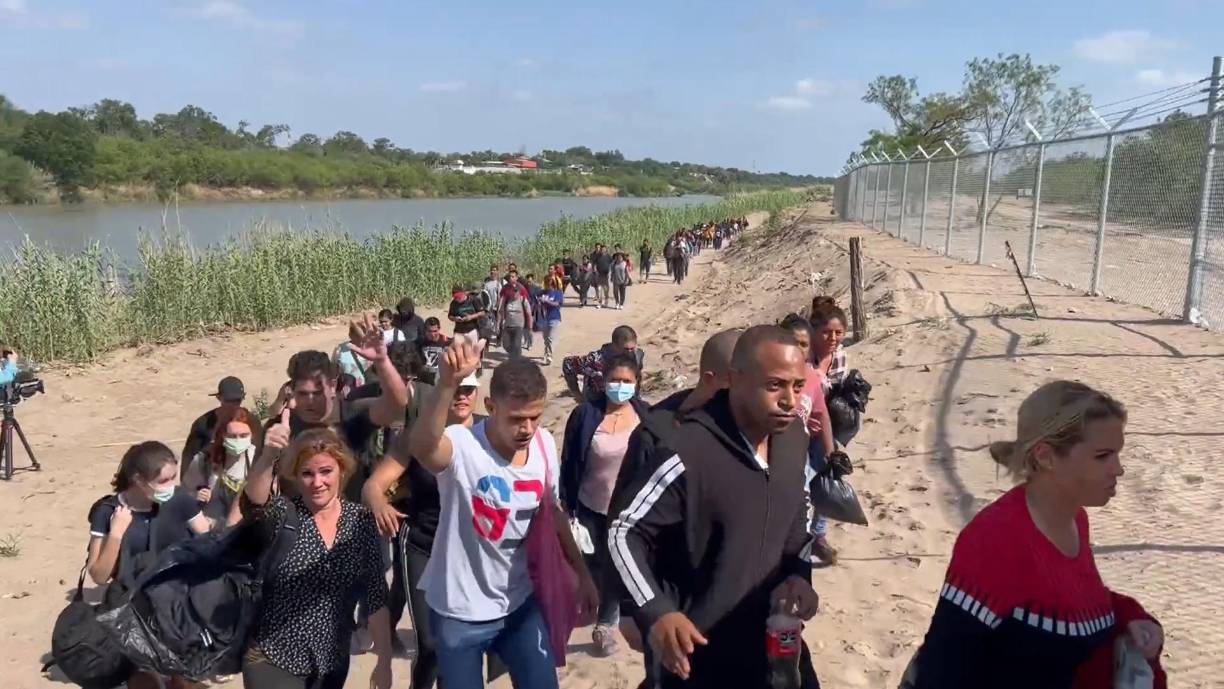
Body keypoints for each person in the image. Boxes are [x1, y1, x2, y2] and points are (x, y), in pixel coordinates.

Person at [901, 381, 1166, 689]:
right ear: (1046, 457)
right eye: (1103, 456)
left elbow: (1077, 602)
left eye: (1117, 454)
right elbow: (943, 667)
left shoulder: (1074, 519)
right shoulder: (995, 540)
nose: (1118, 469)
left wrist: (1130, 616)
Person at [610, 325, 821, 689]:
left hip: (774, 640)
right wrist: (655, 611)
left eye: (797, 386)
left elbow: (797, 513)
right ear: (735, 381)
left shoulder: (794, 440)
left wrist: (800, 574)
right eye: (775, 386)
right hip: (698, 652)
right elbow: (623, 531)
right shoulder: (687, 451)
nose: (789, 399)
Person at [407, 341, 599, 689]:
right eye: (516, 419)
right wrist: (446, 383)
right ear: (491, 407)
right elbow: (422, 448)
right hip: (458, 612)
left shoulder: (542, 446)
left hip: (519, 607)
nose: (526, 428)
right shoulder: (463, 446)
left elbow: (553, 513)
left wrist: (582, 574)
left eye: (534, 417)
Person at [604, 329, 741, 689]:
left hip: (730, 604)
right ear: (713, 380)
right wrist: (634, 611)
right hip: (669, 603)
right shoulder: (657, 433)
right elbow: (622, 526)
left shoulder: (749, 430)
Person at [364, 373, 507, 689]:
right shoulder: (418, 435)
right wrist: (379, 503)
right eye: (455, 388)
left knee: (459, 640)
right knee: (430, 642)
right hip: (422, 544)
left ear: (478, 392)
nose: (461, 396)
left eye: (468, 389)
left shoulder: (492, 432)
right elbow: (374, 485)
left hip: (472, 552)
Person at [242, 425, 393, 689]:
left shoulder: (360, 522)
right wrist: (268, 456)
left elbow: (376, 596)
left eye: (326, 471)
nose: (317, 482)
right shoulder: (282, 515)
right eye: (307, 474)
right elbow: (254, 503)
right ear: (295, 476)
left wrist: (385, 663)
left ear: (342, 471)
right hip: (273, 657)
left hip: (331, 663)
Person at [86, 441, 211, 689]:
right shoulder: (108, 511)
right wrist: (116, 533)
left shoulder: (180, 501)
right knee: (145, 682)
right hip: (130, 612)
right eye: (162, 481)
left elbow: (209, 545)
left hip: (176, 608)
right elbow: (98, 575)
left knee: (182, 681)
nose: (170, 487)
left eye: (172, 479)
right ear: (138, 480)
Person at [560, 353, 650, 658]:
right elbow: (570, 459)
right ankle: (592, 602)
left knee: (614, 567)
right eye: (615, 380)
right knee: (591, 563)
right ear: (604, 381)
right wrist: (565, 498)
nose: (620, 386)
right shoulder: (585, 415)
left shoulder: (645, 417)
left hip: (626, 511)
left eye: (627, 381)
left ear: (637, 384)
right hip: (588, 505)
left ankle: (605, 625)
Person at [269, 315, 410, 503]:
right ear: (291, 390)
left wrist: (382, 362)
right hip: (298, 526)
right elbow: (254, 491)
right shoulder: (282, 426)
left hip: (349, 523)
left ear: (333, 386)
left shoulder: (352, 414)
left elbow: (397, 403)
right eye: (303, 394)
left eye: (317, 393)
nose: (310, 401)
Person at [807, 297, 849, 563]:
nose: (833, 338)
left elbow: (832, 397)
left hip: (826, 428)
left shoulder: (840, 356)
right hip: (798, 426)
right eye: (827, 332)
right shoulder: (803, 354)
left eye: (838, 333)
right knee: (800, 481)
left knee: (827, 476)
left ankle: (818, 536)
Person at [181, 406, 260, 531]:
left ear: (252, 435)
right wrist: (196, 495)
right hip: (209, 530)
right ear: (222, 435)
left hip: (245, 531)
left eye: (244, 435)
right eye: (232, 436)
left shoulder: (258, 460)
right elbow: (184, 493)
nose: (238, 440)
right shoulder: (205, 460)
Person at [180, 376, 246, 480]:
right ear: (219, 398)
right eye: (228, 401)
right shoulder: (203, 424)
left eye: (237, 401)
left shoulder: (250, 422)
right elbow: (189, 458)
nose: (233, 405)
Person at [563, 325, 646, 402]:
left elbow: (637, 377)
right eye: (626, 349)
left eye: (632, 348)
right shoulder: (594, 360)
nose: (629, 352)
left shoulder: (638, 356)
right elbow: (568, 364)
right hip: (597, 405)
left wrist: (636, 397)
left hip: (627, 403)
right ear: (614, 346)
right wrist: (577, 394)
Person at [499, 270, 532, 361]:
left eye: (513, 276)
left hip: (519, 323)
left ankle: (516, 360)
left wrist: (529, 326)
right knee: (506, 344)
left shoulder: (521, 288)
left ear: (517, 277)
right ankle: (513, 355)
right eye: (510, 277)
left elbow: (527, 308)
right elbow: (501, 305)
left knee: (517, 344)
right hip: (507, 322)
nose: (511, 278)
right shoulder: (505, 288)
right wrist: (501, 320)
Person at [538, 275, 564, 366]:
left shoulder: (557, 293)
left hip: (554, 317)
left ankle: (549, 355)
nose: (547, 284)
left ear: (552, 283)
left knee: (550, 337)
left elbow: (557, 303)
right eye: (546, 282)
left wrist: (547, 301)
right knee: (545, 338)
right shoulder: (542, 293)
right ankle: (547, 353)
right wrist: (540, 301)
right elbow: (536, 299)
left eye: (549, 282)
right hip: (544, 317)